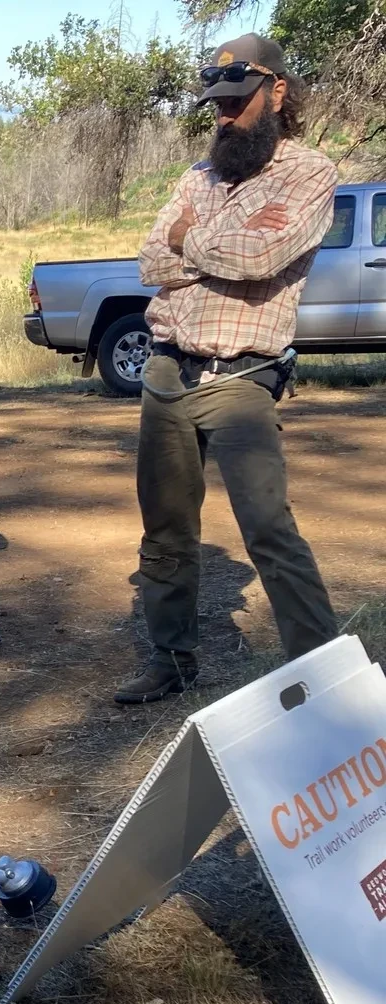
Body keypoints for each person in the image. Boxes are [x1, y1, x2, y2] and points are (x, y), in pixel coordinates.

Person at [118, 35, 338, 704]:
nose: (223, 116)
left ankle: (329, 684)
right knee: (164, 532)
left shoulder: (310, 174)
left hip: (244, 378)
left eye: (236, 102)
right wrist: (201, 245)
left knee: (269, 530)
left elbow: (263, 257)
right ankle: (171, 660)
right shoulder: (197, 176)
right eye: (215, 103)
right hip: (166, 373)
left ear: (275, 93)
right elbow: (150, 263)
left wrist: (192, 238)